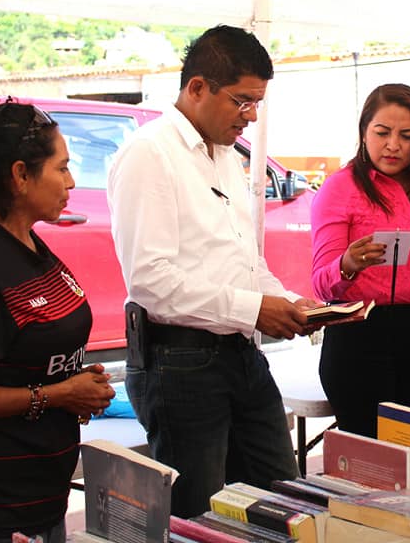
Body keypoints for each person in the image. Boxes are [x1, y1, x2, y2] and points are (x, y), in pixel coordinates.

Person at [107, 25, 317, 518]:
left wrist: (284, 301)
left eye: (258, 103)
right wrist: (255, 308)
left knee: (282, 504)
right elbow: (152, 283)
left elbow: (242, 258)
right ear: (197, 87)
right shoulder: (150, 154)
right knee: (198, 515)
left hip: (239, 353)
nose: (251, 117)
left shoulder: (222, 152)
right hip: (180, 361)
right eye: (242, 102)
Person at [0, 98, 115, 542]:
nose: (72, 182)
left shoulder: (31, 246)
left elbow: (32, 352)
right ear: (20, 175)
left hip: (43, 490)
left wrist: (76, 383)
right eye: (63, 168)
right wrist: (59, 393)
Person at [310, 83, 410, 438]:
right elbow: (321, 281)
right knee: (371, 463)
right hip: (360, 332)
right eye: (382, 133)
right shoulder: (340, 188)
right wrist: (348, 264)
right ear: (363, 132)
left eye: (406, 136)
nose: (393, 145)